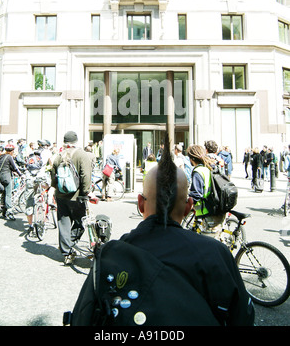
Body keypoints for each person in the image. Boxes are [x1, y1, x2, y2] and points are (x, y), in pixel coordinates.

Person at [70, 134, 254, 326]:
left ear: (141, 204)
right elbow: (243, 317)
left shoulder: (110, 255)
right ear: (188, 207)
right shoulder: (217, 253)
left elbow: (82, 317)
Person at [51, 131, 92, 265]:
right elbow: (86, 175)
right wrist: (86, 192)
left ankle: (66, 251)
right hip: (77, 196)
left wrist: (55, 187)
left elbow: (53, 174)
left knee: (63, 223)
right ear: (76, 141)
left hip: (61, 194)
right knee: (81, 222)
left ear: (64, 141)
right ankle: (70, 244)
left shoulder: (58, 155)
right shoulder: (82, 155)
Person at [187, 144, 225, 236]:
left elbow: (196, 194)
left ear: (192, 159)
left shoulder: (198, 171)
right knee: (218, 240)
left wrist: (186, 204)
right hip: (218, 208)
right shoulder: (209, 167)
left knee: (209, 246)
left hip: (208, 212)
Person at [0, 144, 22, 220]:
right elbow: (14, 167)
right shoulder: (9, 157)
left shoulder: (2, 156)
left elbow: (6, 166)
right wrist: (20, 174)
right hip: (7, 178)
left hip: (1, 177)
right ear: (11, 151)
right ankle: (10, 212)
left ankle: (3, 212)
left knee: (4, 194)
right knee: (8, 195)